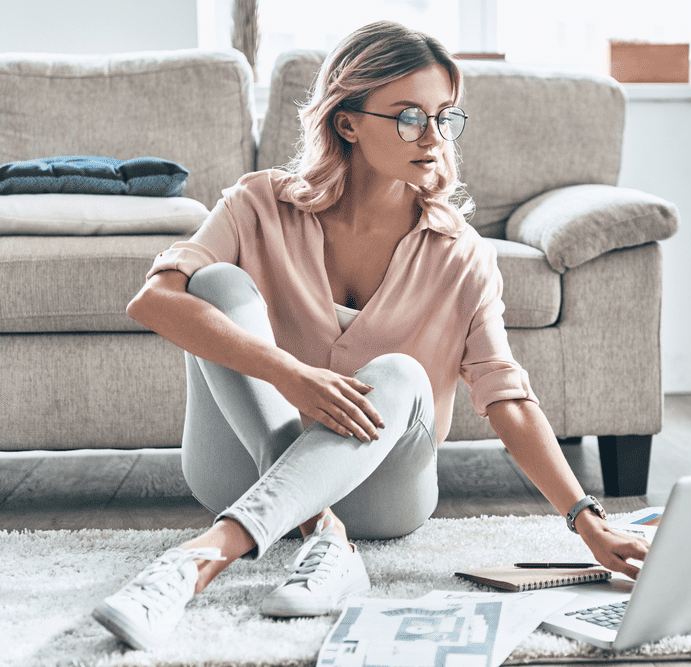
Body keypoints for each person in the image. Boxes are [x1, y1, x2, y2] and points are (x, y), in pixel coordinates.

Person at [91, 20, 649, 651]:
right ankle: (323, 535)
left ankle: (199, 560)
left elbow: (507, 398)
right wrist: (290, 374)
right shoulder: (257, 204)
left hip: (385, 492)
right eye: (409, 116)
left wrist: (587, 520)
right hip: (240, 466)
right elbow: (153, 301)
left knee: (401, 373)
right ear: (347, 121)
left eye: (444, 116)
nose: (433, 137)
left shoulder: (459, 253)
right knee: (214, 285)